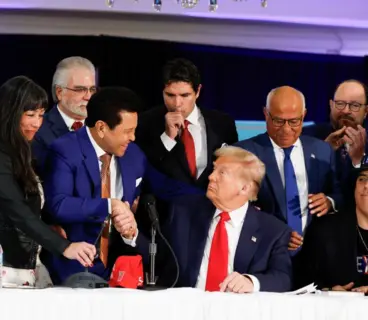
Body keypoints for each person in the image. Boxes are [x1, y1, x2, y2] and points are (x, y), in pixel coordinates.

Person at [41, 86, 203, 284]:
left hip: (119, 273)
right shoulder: (65, 150)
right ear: (101, 128)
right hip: (70, 271)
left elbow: (165, 187)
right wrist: (110, 205)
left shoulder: (133, 155)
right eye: (127, 131)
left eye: (134, 130)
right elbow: (58, 205)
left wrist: (211, 197)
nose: (133, 137)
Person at [0, 76, 96, 286]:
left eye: (41, 115)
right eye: (30, 115)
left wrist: (48, 227)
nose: (37, 123)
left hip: (24, 259)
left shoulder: (22, 150)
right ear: (10, 114)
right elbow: (16, 209)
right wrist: (65, 246)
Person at [140, 146, 291, 292]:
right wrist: (132, 234)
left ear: (244, 188)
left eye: (222, 173)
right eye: (214, 170)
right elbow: (157, 257)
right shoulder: (183, 213)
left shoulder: (273, 231)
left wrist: (251, 282)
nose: (211, 177)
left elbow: (283, 278)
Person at [236, 86, 342, 253]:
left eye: (294, 121)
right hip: (265, 253)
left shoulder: (322, 150)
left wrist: (329, 201)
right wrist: (274, 232)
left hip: (315, 253)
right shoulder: (243, 153)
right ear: (266, 114)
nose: (286, 129)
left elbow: (338, 193)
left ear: (304, 115)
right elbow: (233, 207)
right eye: (278, 121)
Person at [136, 58, 238, 189]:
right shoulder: (146, 122)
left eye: (185, 95)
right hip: (166, 207)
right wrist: (167, 138)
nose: (177, 103)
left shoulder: (223, 123)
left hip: (210, 206)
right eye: (170, 95)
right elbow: (140, 170)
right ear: (162, 92)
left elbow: (234, 169)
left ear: (198, 91)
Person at [295, 155, 368, 293]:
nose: (366, 185)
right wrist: (327, 291)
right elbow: (301, 281)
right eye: (362, 179)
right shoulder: (324, 230)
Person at [32, 56, 96, 176]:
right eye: (80, 89)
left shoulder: (101, 127)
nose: (88, 97)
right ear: (59, 92)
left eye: (92, 89)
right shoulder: (38, 130)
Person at [304, 80, 368, 200]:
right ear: (331, 105)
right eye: (340, 103)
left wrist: (358, 161)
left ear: (365, 111)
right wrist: (322, 152)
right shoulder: (307, 136)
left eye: (354, 105)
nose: (345, 110)